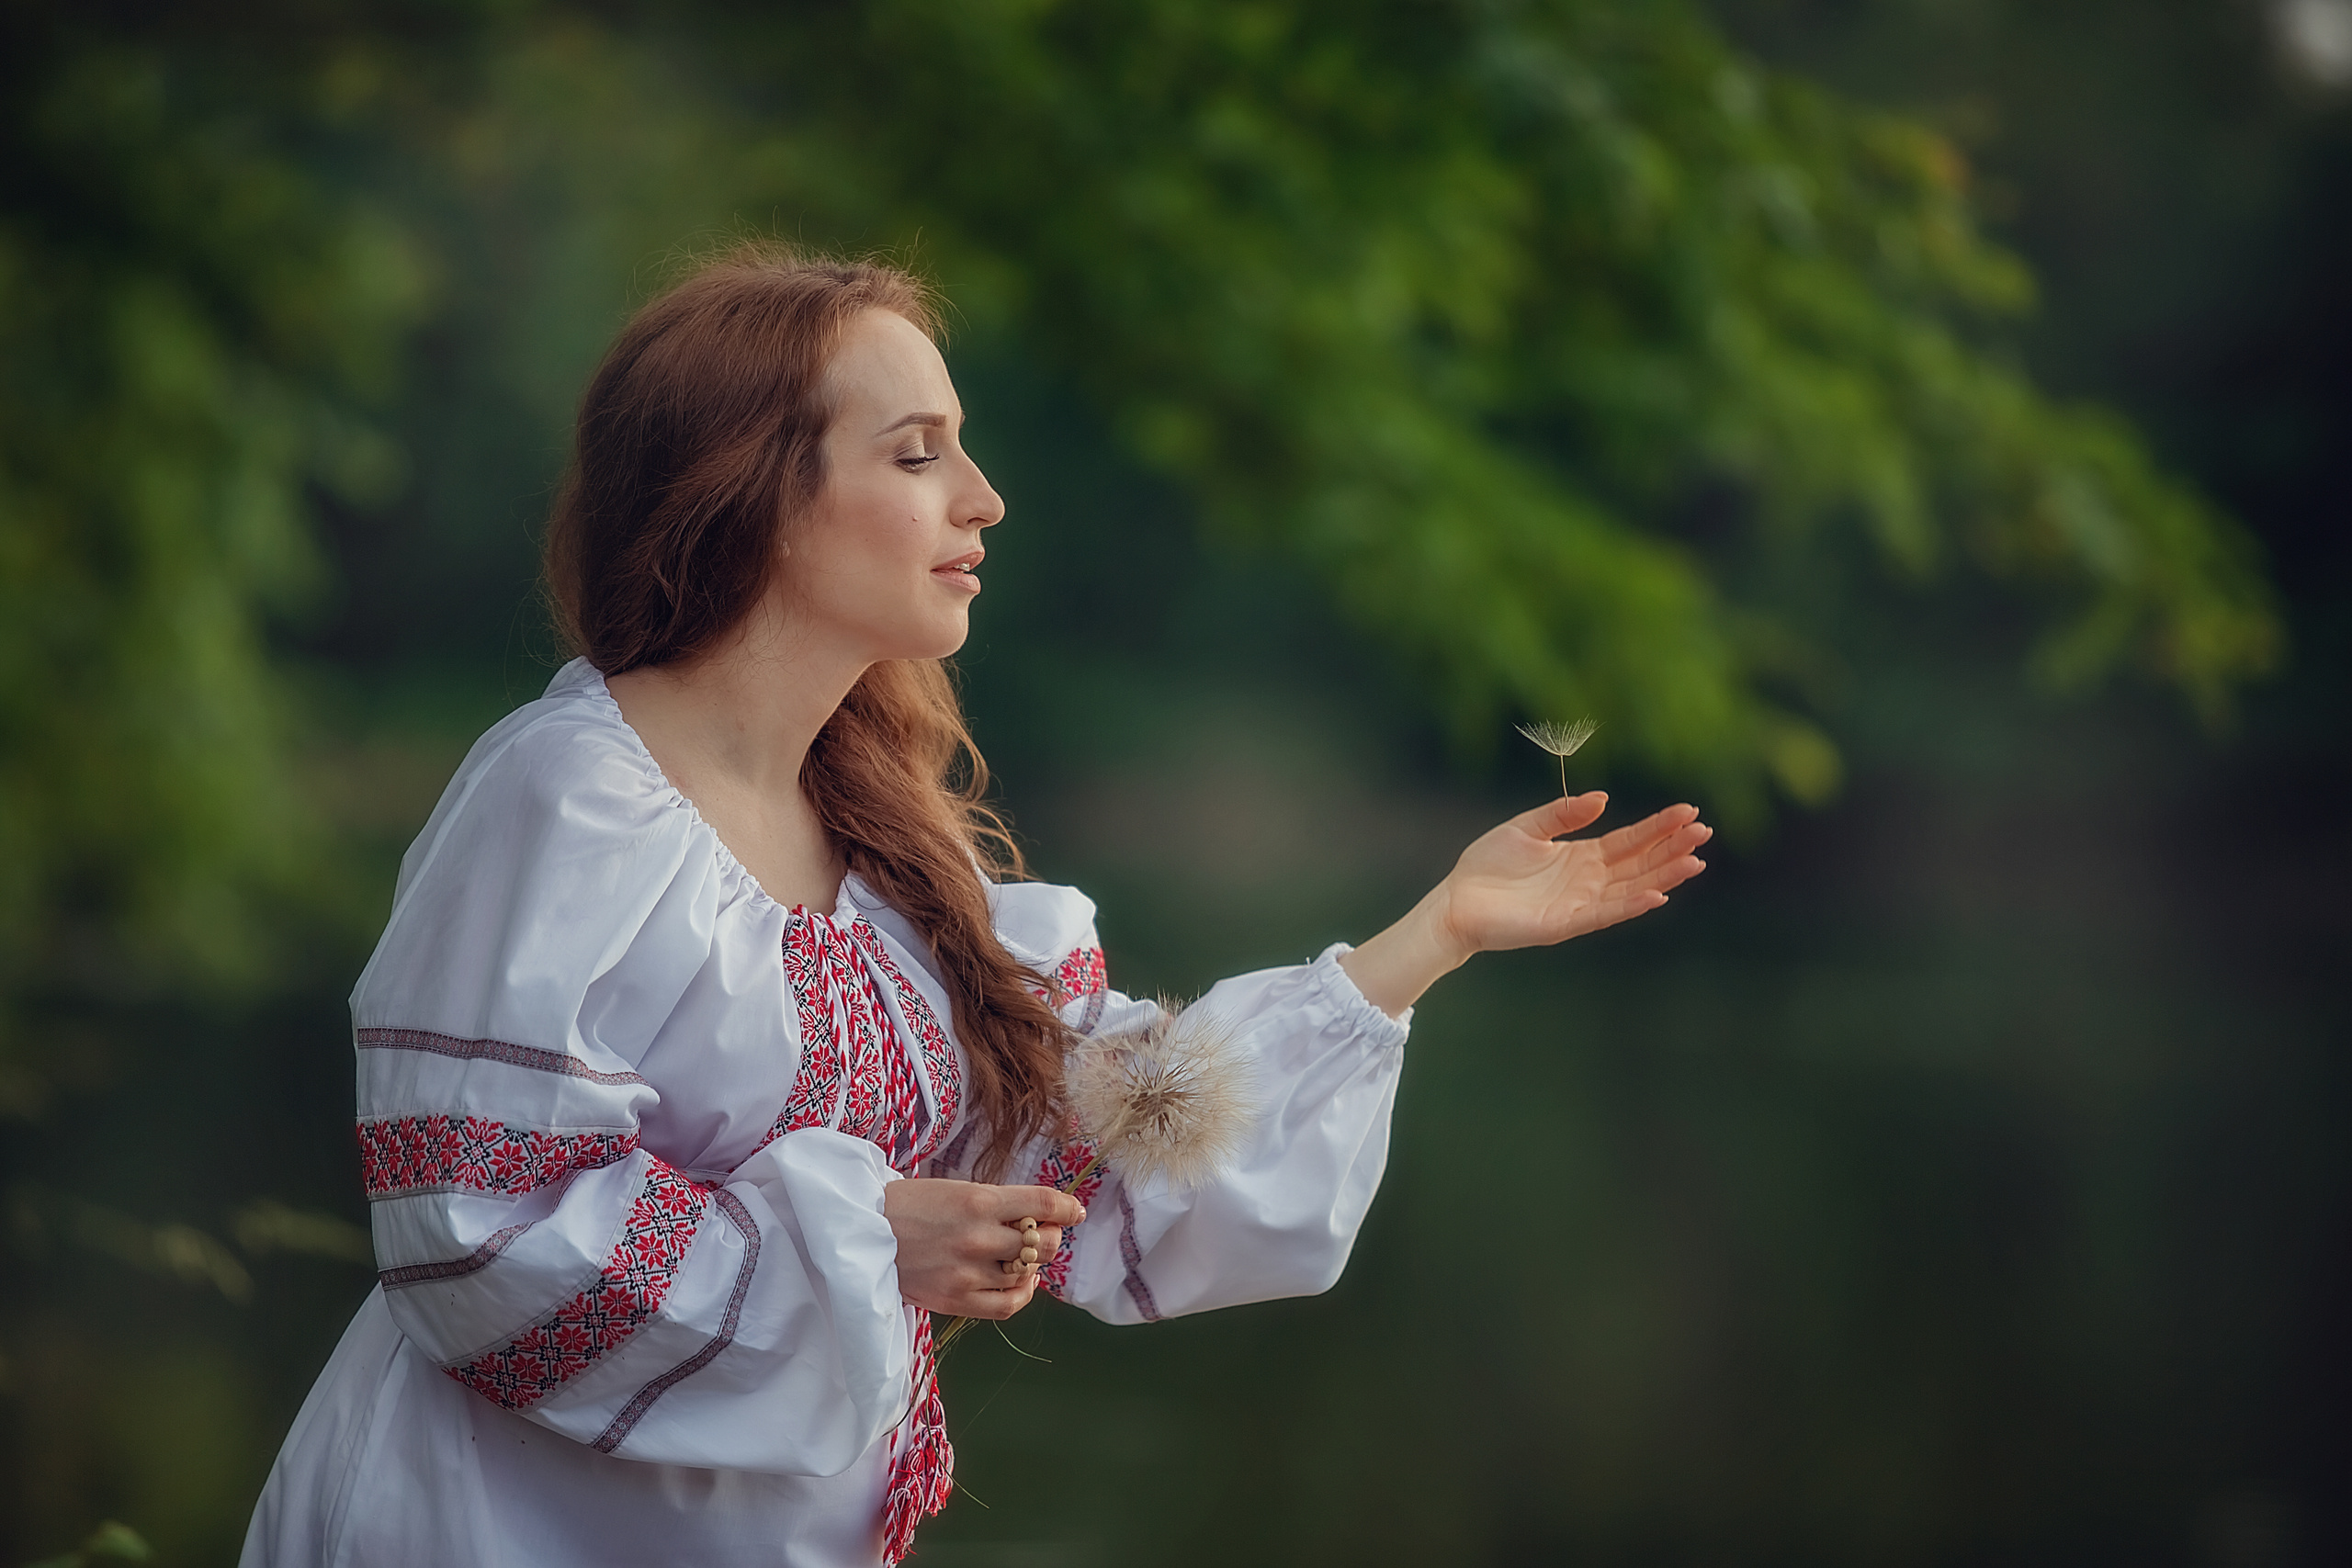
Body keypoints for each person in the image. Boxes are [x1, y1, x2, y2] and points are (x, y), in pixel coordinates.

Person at [239, 246, 1711, 1568]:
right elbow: (473, 1229)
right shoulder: (571, 798)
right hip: (499, 1529)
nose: (981, 499)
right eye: (917, 453)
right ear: (753, 488)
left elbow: (1110, 1136)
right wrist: (873, 1238)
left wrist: (1431, 936)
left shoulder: (892, 850)